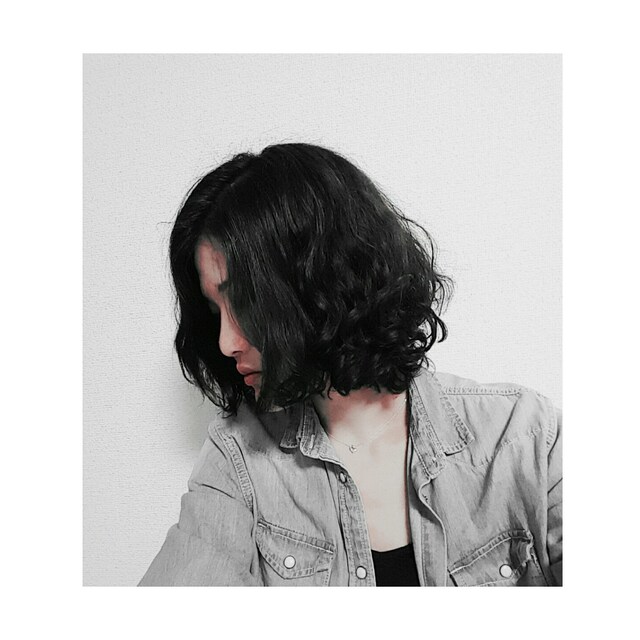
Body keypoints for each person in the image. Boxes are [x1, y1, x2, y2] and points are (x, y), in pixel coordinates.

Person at [139, 143, 562, 587]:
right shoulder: (239, 460)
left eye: (245, 302)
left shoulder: (523, 436)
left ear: (320, 281)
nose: (225, 342)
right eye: (215, 312)